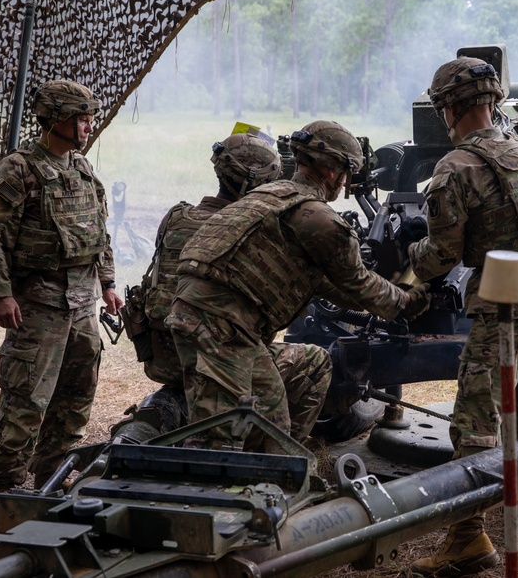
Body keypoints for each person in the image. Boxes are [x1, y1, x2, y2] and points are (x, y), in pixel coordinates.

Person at [167, 120, 431, 451]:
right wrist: (406, 300)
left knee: (284, 405)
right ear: (333, 171)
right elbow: (359, 284)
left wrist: (383, 297)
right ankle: (227, 488)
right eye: (346, 171)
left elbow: (329, 286)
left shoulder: (268, 195)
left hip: (217, 319)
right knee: (226, 435)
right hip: (221, 324)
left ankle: (277, 476)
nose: (346, 181)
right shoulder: (318, 219)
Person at [404, 57, 518, 577]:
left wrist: (407, 259)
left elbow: (441, 256)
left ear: (448, 108)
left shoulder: (456, 168)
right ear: (491, 101)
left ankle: (468, 537)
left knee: (475, 420)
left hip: (506, 304)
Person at [0, 79, 123, 518]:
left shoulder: (83, 168)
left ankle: (51, 475)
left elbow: (100, 233)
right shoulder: (19, 168)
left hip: (81, 303)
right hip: (36, 300)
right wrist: (0, 293)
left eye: (89, 117)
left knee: (76, 396)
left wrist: (108, 284)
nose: (87, 125)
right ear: (55, 118)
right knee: (26, 401)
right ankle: (1, 486)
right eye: (80, 117)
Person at [122, 131, 332, 442]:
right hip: (217, 358)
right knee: (318, 362)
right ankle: (275, 451)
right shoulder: (253, 232)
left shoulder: (176, 216)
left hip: (163, 358)